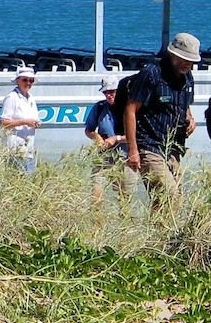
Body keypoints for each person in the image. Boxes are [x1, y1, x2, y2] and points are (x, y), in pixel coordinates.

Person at [124, 32, 199, 211]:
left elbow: (185, 105)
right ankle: (161, 235)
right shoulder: (151, 73)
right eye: (183, 59)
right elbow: (130, 109)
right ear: (173, 54)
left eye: (191, 61)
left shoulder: (187, 77)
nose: (187, 64)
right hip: (149, 145)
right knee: (170, 196)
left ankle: (156, 237)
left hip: (173, 148)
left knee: (166, 201)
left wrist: (190, 118)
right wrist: (133, 150)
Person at [84, 74, 138, 204]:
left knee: (124, 199)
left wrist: (116, 138)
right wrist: (96, 136)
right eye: (106, 92)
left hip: (125, 159)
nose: (109, 95)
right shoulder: (100, 107)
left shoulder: (129, 108)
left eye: (112, 92)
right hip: (103, 158)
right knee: (96, 196)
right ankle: (97, 221)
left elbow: (137, 135)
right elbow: (89, 129)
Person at [0, 67, 41, 173]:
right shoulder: (12, 97)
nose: (28, 83)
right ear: (17, 80)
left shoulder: (31, 98)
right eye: (24, 80)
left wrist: (36, 123)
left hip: (28, 150)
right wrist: (24, 122)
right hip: (15, 150)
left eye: (31, 80)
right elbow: (3, 123)